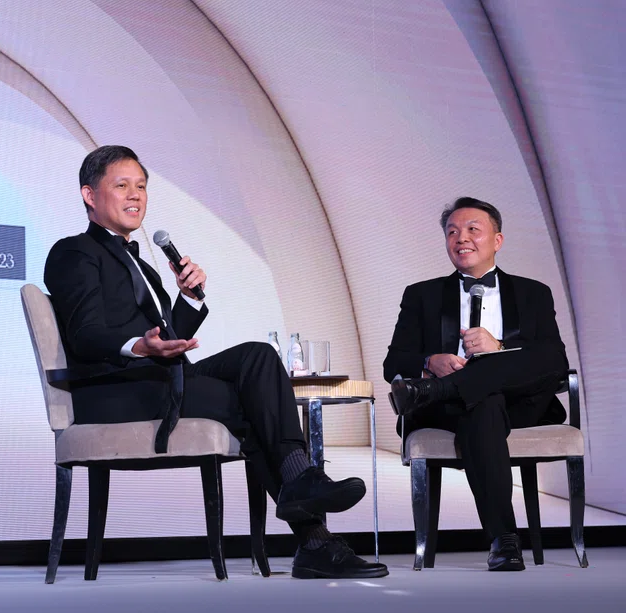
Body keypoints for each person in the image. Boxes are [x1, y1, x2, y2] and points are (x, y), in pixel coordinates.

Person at [44, 145, 387, 579]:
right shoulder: (74, 253)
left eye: (142, 186)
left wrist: (185, 300)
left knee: (258, 359)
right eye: (122, 185)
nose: (136, 196)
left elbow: (170, 340)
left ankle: (305, 501)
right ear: (90, 195)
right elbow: (85, 333)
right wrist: (139, 346)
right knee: (249, 404)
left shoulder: (148, 269)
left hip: (161, 381)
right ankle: (313, 531)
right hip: (115, 392)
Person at [384, 197, 569, 571]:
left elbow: (555, 361)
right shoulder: (422, 294)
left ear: (497, 240)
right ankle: (504, 540)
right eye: (452, 232)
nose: (460, 238)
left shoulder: (534, 292)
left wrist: (499, 347)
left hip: (520, 404)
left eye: (472, 229)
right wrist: (428, 361)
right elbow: (394, 362)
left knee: (505, 379)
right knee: (481, 402)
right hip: (455, 411)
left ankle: (436, 389)